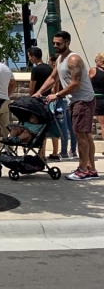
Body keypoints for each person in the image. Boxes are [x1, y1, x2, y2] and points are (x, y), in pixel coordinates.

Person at [45, 31, 98, 180]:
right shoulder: (60, 59)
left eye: (58, 43)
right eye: (54, 43)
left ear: (67, 43)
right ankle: (91, 169)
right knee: (85, 135)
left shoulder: (73, 59)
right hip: (75, 101)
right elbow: (52, 77)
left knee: (80, 134)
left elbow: (76, 83)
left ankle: (83, 170)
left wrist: (57, 95)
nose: (55, 46)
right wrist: (39, 92)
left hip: (83, 100)